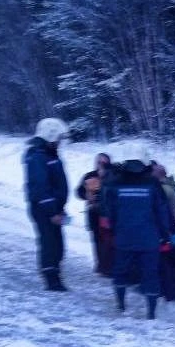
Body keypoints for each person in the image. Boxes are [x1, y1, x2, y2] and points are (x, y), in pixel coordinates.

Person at [101, 159, 171, 320]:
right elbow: (161, 211)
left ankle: (121, 304)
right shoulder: (152, 183)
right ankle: (151, 312)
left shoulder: (115, 183)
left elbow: (109, 210)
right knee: (150, 273)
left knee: (120, 270)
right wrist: (165, 235)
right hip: (149, 238)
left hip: (124, 236)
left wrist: (114, 228)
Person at [24, 117, 70, 292]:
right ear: (49, 136)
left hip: (54, 207)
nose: (60, 142)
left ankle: (54, 270)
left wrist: (60, 207)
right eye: (58, 138)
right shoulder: (37, 157)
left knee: (57, 242)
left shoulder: (49, 154)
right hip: (43, 208)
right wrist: (52, 211)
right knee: (49, 242)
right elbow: (41, 187)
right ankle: (51, 278)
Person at [150, 161, 175, 300]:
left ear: (158, 174)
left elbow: (160, 212)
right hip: (171, 228)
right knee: (165, 261)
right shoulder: (171, 186)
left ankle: (163, 291)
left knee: (160, 262)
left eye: (152, 172)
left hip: (163, 230)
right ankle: (168, 291)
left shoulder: (162, 190)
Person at [76, 153, 113, 276]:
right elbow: (79, 191)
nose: (101, 165)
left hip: (108, 213)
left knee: (109, 239)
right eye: (99, 162)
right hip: (93, 213)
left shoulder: (113, 176)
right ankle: (101, 265)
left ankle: (109, 265)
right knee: (97, 239)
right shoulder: (89, 176)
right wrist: (85, 195)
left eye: (104, 163)